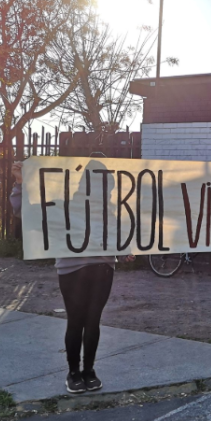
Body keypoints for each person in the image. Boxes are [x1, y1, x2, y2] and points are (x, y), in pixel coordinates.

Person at [10, 161, 135, 394]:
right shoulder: (65, 206)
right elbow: (26, 213)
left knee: (93, 321)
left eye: (105, 180)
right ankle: (73, 372)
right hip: (72, 269)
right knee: (76, 321)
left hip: (103, 268)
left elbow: (115, 235)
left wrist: (124, 251)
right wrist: (20, 182)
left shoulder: (109, 209)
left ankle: (89, 371)